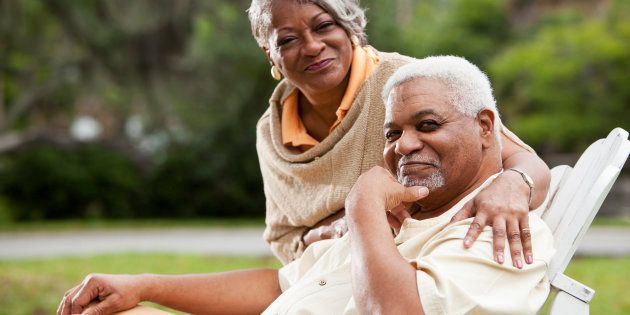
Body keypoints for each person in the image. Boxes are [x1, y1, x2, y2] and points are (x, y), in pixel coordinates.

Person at [57, 56, 555, 315]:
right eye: (392, 133)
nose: (404, 146)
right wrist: (143, 286)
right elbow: (279, 285)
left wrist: (361, 206)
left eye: (427, 125)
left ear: (487, 128)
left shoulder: (497, 233)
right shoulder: (403, 219)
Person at [250, 0, 551, 266]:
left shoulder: (407, 86)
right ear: (270, 55)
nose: (313, 46)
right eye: (288, 40)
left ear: (348, 27)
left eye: (325, 25)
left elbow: (524, 160)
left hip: (416, 263)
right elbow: (283, 238)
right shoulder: (271, 130)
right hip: (329, 274)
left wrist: (514, 183)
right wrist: (327, 232)